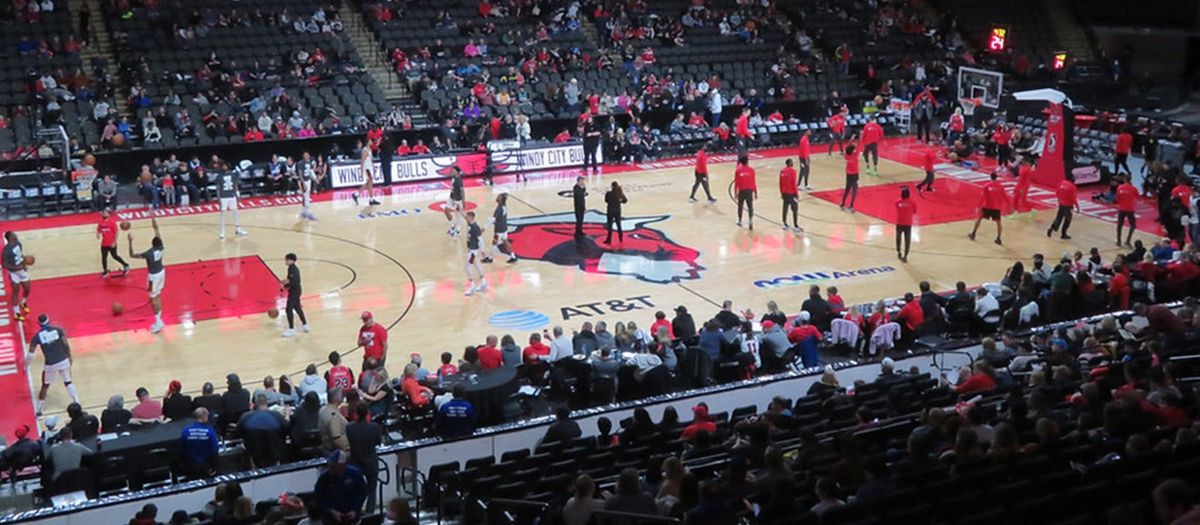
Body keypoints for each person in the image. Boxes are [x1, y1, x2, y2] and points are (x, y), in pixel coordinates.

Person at [26, 314, 79, 415]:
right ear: (48, 320)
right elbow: (65, 344)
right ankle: (77, 402)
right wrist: (69, 356)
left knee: (45, 385)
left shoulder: (37, 336)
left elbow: (30, 354)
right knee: (68, 382)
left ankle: (39, 410)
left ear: (39, 324)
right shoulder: (58, 330)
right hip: (63, 360)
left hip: (50, 364)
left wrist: (25, 366)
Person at [127, 218, 166, 333]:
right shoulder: (161, 247)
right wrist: (153, 219)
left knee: (153, 298)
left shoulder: (148, 254)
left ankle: (158, 322)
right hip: (162, 273)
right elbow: (157, 230)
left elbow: (132, 255)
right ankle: (159, 319)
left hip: (153, 277)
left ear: (152, 243)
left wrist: (130, 242)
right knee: (158, 295)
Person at [314, 450, 368, 525]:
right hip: (331, 520)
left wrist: (355, 510)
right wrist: (331, 511)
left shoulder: (355, 474)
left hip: (352, 518)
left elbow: (362, 492)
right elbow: (318, 498)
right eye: (329, 465)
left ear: (342, 465)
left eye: (333, 466)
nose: (330, 468)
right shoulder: (324, 478)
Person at [346, 403, 382, 513]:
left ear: (356, 413)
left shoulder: (349, 427)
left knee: (355, 490)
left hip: (355, 463)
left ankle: (356, 512)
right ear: (367, 413)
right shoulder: (374, 427)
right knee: (372, 490)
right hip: (371, 462)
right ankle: (370, 514)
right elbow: (378, 442)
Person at [968, 172, 1007, 245]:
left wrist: (978, 206)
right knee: (998, 223)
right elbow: (1005, 196)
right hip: (996, 207)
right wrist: (1009, 206)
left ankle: (973, 233)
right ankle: (998, 238)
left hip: (987, 206)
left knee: (979, 219)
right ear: (996, 177)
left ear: (990, 177)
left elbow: (982, 197)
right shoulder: (1001, 187)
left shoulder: (986, 186)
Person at [181, 407, 219, 477]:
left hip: (190, 466)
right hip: (206, 467)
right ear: (204, 416)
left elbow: (182, 449)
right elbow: (215, 450)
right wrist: (214, 467)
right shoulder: (210, 430)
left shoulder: (186, 430)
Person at [482, 193, 517, 264]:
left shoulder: (499, 209)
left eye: (498, 197)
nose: (497, 197)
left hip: (499, 230)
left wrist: (484, 228)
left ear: (501, 200)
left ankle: (490, 258)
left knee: (494, 243)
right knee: (505, 242)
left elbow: (492, 220)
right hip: (504, 229)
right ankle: (513, 256)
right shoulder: (504, 206)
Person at [2, 231, 31, 321]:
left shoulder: (18, 243)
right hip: (13, 272)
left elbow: (20, 255)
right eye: (14, 235)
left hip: (21, 270)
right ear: (10, 238)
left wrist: (24, 263)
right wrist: (16, 267)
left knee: (27, 288)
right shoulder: (6, 251)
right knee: (15, 292)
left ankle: (23, 302)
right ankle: (16, 313)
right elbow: (5, 265)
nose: (16, 235)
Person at [214, 167, 247, 240]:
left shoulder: (233, 174)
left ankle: (238, 229)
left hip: (232, 196)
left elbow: (235, 185)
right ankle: (222, 232)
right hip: (223, 197)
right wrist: (218, 198)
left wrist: (237, 195)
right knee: (223, 214)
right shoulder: (219, 176)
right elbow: (218, 188)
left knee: (235, 212)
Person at [96, 209, 129, 278]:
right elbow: (98, 229)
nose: (104, 213)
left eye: (105, 213)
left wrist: (115, 242)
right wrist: (98, 234)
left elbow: (116, 232)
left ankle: (126, 265)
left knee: (115, 256)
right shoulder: (101, 222)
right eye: (103, 212)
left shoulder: (112, 222)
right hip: (104, 243)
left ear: (109, 214)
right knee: (104, 257)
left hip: (111, 243)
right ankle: (105, 271)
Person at [463, 211, 488, 296]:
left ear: (472, 218)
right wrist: (459, 210)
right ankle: (484, 283)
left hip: (473, 251)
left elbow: (480, 239)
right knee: (477, 265)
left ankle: (472, 286)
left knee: (467, 267)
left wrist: (483, 251)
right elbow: (464, 216)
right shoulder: (469, 223)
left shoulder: (475, 227)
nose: (466, 218)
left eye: (467, 217)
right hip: (472, 250)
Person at [1047, 173, 1079, 240]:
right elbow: (1073, 198)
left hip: (1061, 203)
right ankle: (1063, 234)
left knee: (1058, 218)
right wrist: (1077, 207)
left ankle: (1051, 228)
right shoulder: (1072, 186)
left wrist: (1059, 200)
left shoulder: (1061, 183)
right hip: (1068, 206)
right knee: (1068, 219)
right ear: (1071, 178)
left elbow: (1057, 192)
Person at [319, 388, 350, 453]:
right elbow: (336, 438)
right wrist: (348, 449)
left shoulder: (323, 409)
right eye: (341, 395)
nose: (343, 396)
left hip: (327, 448)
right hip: (338, 452)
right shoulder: (334, 416)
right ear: (336, 398)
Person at [352, 140, 381, 206]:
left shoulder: (369, 149)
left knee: (369, 184)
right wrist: (361, 169)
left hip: (370, 168)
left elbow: (370, 159)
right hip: (367, 169)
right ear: (367, 142)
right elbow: (362, 160)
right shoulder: (365, 150)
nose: (371, 142)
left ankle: (356, 194)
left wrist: (373, 166)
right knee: (370, 184)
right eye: (370, 141)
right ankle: (371, 199)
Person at [734, 156, 757, 229]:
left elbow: (736, 183)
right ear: (747, 161)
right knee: (750, 206)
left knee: (740, 206)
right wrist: (755, 191)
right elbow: (754, 182)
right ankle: (750, 221)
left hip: (741, 191)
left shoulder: (738, 171)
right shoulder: (752, 170)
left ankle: (740, 220)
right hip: (749, 191)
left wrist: (735, 193)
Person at [779, 159, 802, 233]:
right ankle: (795, 225)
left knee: (785, 208)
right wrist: (796, 194)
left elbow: (780, 183)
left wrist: (781, 193)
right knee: (795, 209)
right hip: (791, 193)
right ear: (789, 163)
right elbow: (793, 184)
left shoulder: (782, 171)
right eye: (792, 162)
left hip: (784, 193)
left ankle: (784, 223)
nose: (793, 163)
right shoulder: (793, 172)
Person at [895, 187, 917, 262]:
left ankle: (899, 252)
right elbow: (914, 211)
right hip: (907, 223)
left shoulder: (897, 201)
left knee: (898, 238)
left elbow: (897, 209)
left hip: (900, 223)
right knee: (907, 240)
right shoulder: (912, 202)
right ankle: (905, 255)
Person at [1116, 175, 1138, 247]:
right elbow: (1137, 197)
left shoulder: (1119, 188)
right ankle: (1128, 241)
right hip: (1130, 209)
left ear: (1124, 179)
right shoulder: (1134, 188)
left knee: (1119, 225)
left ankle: (1119, 241)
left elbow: (1117, 199)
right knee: (1133, 225)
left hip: (1121, 209)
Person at [443, 167, 464, 237]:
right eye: (452, 171)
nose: (452, 172)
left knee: (458, 215)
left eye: (453, 171)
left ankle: (458, 230)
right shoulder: (453, 178)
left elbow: (462, 192)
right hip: (451, 197)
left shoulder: (459, 181)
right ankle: (452, 226)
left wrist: (463, 202)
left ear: (457, 172)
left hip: (458, 199)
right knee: (446, 211)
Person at [298, 151, 318, 221]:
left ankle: (304, 213)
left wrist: (315, 179)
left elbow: (311, 171)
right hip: (303, 181)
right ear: (303, 156)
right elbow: (300, 174)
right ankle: (307, 212)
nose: (306, 156)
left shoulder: (310, 162)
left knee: (307, 195)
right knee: (306, 195)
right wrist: (303, 183)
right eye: (305, 155)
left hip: (309, 180)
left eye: (307, 155)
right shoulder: (300, 163)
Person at [840, 144, 860, 212]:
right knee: (854, 190)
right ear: (852, 151)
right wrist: (860, 136)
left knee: (847, 189)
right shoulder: (855, 155)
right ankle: (851, 205)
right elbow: (859, 145)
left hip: (848, 174)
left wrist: (851, 140)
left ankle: (842, 203)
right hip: (855, 174)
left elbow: (846, 149)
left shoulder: (846, 156)